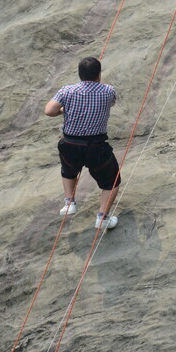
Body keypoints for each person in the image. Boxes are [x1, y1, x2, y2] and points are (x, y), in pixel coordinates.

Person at [44, 56, 120, 229]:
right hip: (97, 146)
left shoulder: (67, 91)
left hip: (70, 144)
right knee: (111, 182)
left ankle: (69, 202)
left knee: (68, 171)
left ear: (79, 75)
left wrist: (64, 110)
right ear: (99, 75)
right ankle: (102, 218)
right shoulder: (108, 90)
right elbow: (111, 103)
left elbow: (49, 111)